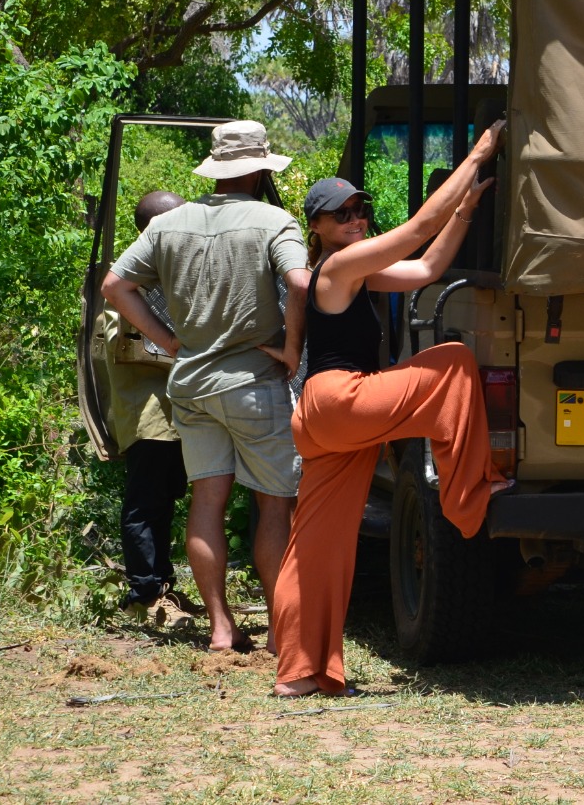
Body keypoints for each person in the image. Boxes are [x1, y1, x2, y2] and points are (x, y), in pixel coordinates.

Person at [272, 121, 508, 698]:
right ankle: (467, 495)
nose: (356, 220)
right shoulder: (336, 268)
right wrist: (478, 153)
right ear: (319, 228)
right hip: (339, 398)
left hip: (324, 418)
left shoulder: (354, 270)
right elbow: (416, 230)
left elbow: (426, 268)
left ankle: (302, 674)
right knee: (452, 360)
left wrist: (466, 212)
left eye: (361, 209)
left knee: (318, 546)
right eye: (343, 214)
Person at [102, 121, 310, 654]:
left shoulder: (172, 223)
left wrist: (170, 344)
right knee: (274, 503)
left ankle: (221, 628)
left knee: (206, 500)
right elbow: (302, 282)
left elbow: (115, 286)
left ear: (216, 169)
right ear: (262, 168)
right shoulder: (273, 220)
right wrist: (290, 348)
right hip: (253, 382)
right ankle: (280, 627)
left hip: (190, 384)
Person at [102, 190, 200, 622]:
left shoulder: (166, 278)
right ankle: (145, 594)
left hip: (175, 415)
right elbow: (134, 348)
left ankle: (163, 587)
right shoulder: (131, 282)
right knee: (146, 504)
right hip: (150, 416)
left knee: (165, 503)